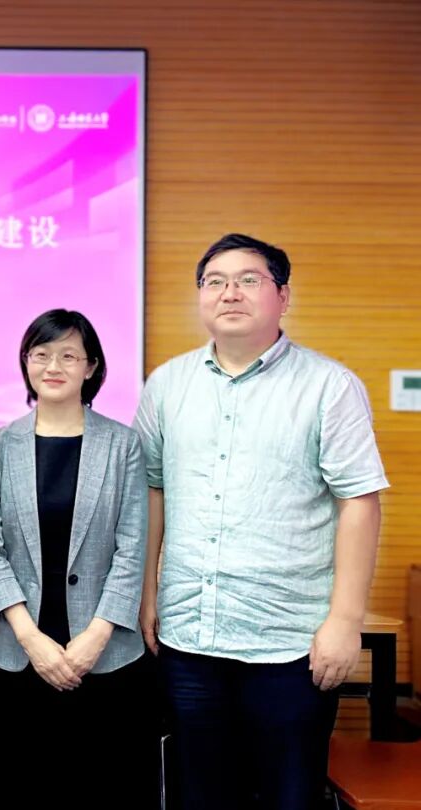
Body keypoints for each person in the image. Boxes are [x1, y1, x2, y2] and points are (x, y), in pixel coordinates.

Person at [135, 233, 389, 810]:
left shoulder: (329, 387)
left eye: (249, 280)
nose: (230, 293)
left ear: (283, 296)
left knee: (288, 797)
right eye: (215, 281)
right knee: (199, 795)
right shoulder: (167, 385)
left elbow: (359, 502)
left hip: (289, 645)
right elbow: (153, 491)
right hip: (189, 636)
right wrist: (148, 594)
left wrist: (345, 620)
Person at [0, 308, 156, 808]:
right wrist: (31, 638)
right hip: (19, 652)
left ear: (91, 366)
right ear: (26, 363)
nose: (53, 366)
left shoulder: (122, 445)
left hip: (105, 654)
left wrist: (95, 636)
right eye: (41, 354)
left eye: (69, 356)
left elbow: (132, 547)